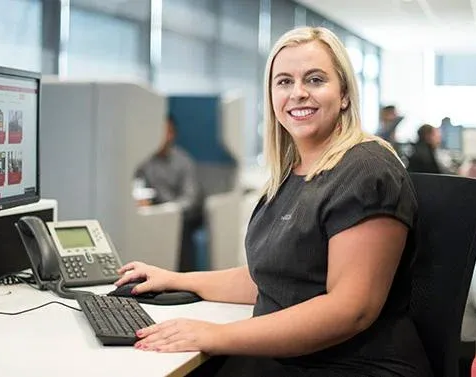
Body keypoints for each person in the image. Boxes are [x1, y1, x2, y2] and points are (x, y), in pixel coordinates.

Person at [116, 26, 433, 377]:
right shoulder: (290, 174)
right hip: (292, 357)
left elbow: (350, 310)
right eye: (283, 82)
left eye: (315, 80)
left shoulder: (367, 169)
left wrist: (216, 334)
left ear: (344, 93)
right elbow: (270, 279)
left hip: (354, 365)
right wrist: (177, 279)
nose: (298, 93)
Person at [134, 115, 204, 272]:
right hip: (150, 215)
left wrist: (168, 210)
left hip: (180, 217)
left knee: (180, 228)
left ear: (172, 134)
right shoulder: (144, 161)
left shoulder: (183, 161)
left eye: (163, 131)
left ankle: (181, 278)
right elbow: (136, 187)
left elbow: (190, 199)